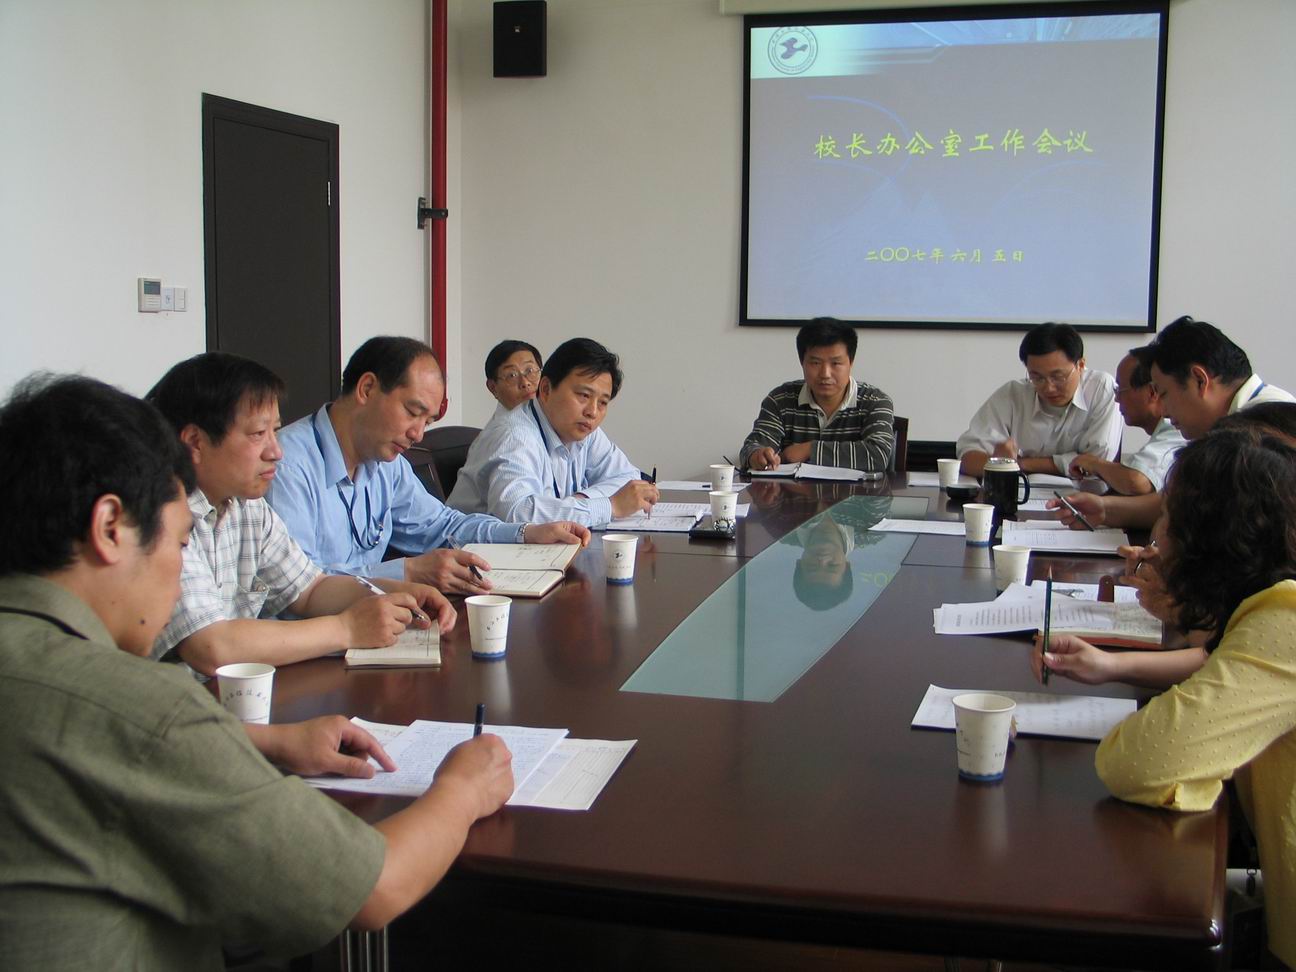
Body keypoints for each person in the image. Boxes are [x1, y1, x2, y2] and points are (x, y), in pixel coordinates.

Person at [0, 374, 514, 970]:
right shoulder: (139, 706)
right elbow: (372, 889)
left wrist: (263, 742)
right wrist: (462, 790)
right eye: (178, 542)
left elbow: (88, 745)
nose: (178, 569)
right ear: (111, 527)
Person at [1030, 428, 1296, 969]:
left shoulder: (1284, 620)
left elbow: (1137, 763)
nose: (1157, 533)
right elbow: (1220, 662)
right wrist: (1144, 643)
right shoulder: (1273, 606)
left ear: (1211, 539)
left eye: (1170, 517)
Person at [146, 353, 456, 675]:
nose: (276, 451)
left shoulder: (246, 505)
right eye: (257, 434)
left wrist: (398, 593)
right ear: (195, 442)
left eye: (274, 431)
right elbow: (212, 647)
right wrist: (347, 629)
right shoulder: (162, 515)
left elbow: (310, 589)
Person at [269, 337, 590, 595]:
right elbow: (297, 589)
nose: (418, 434)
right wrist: (408, 572)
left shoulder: (386, 463)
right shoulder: (286, 465)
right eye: (413, 412)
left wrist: (524, 533)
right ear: (367, 389)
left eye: (428, 421)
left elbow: (442, 527)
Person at [1050, 316, 1295, 531]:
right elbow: (1179, 503)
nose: (1164, 412)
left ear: (1200, 380)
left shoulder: (1259, 435)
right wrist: (1104, 510)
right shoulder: (1248, 415)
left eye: (1164, 394)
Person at [448, 337, 658, 527]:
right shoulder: (515, 435)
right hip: (474, 552)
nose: (593, 411)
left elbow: (628, 476)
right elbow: (516, 513)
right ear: (546, 389)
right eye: (584, 395)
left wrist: (581, 501)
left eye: (603, 402)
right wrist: (609, 506)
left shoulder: (583, 428)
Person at [956, 322, 1122, 479]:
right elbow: (966, 456)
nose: (1049, 387)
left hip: (1086, 495)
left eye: (1058, 377)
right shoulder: (1013, 394)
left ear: (1080, 365)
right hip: (1021, 493)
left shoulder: (1101, 388)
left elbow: (1097, 462)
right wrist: (996, 462)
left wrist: (1017, 464)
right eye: (1037, 377)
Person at [740, 318, 895, 473]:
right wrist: (757, 456)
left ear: (851, 362)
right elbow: (751, 447)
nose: (825, 374)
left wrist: (809, 449)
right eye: (815, 363)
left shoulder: (875, 402)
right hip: (792, 489)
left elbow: (878, 456)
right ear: (802, 362)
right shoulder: (780, 400)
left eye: (836, 363)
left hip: (857, 490)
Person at [1067, 346, 1184, 495]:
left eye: (1120, 390)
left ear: (1152, 392)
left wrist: (1094, 463)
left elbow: (1136, 482)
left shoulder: (1176, 430)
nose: (1116, 399)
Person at [484, 339, 543, 413]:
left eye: (530, 371)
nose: (525, 383)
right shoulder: (507, 421)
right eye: (512, 375)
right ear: (493, 388)